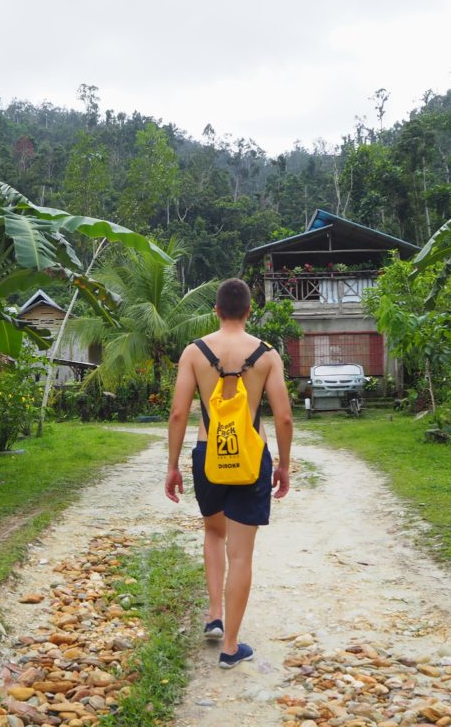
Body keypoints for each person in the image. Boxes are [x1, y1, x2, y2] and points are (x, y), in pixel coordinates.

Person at [165, 278, 293, 668]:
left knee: (213, 532)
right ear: (249, 311)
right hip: (252, 458)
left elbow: (178, 413)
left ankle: (214, 616)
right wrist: (284, 465)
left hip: (208, 454)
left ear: (216, 311)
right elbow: (284, 417)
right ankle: (231, 646)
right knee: (241, 555)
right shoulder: (267, 354)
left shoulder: (194, 352)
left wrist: (172, 466)